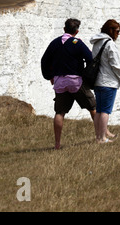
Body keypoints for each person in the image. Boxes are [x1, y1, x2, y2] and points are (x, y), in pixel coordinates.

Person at [41, 18, 96, 149]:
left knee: (60, 113)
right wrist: (86, 74)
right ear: (77, 31)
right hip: (76, 81)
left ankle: (57, 144)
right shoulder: (77, 43)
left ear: (64, 29)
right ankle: (101, 136)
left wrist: (49, 76)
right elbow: (90, 59)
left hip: (59, 82)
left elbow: (44, 61)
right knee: (93, 107)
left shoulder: (54, 43)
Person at [90, 19, 120, 144]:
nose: (118, 34)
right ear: (112, 30)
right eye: (118, 31)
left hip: (98, 81)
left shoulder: (97, 43)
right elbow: (115, 64)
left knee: (99, 110)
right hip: (108, 82)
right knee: (105, 111)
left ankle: (98, 137)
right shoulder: (110, 44)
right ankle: (102, 138)